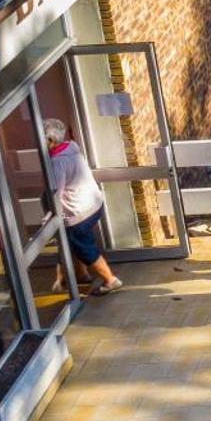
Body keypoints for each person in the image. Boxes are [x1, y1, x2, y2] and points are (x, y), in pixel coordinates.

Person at [43, 119, 125, 296]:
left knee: (83, 247)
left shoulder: (57, 162)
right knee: (73, 242)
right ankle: (81, 275)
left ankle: (111, 280)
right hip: (93, 204)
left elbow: (56, 192)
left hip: (79, 213)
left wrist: (48, 216)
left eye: (42, 138)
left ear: (50, 140)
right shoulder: (72, 149)